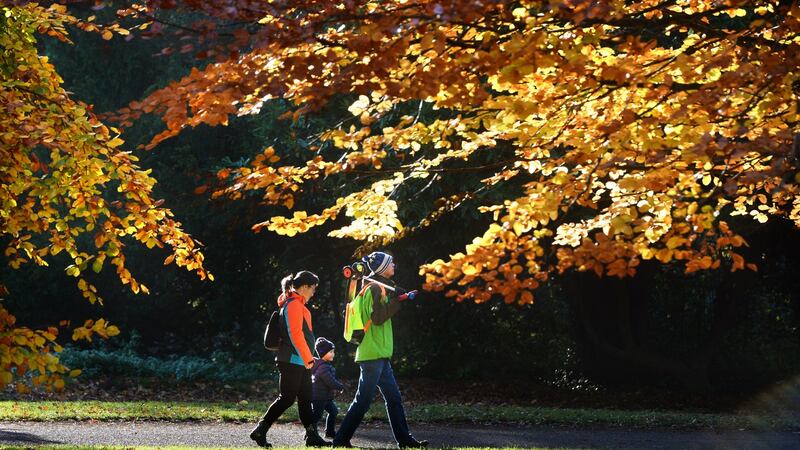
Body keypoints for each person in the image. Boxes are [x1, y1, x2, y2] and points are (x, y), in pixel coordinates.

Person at [333, 252, 428, 449]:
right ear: (382, 268)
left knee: (393, 399)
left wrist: (395, 298)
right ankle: (341, 440)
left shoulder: (376, 287)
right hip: (373, 355)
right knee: (363, 401)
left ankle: (405, 441)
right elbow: (377, 318)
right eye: (390, 263)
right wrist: (398, 302)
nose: (394, 265)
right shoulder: (375, 288)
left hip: (379, 354)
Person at [250, 271, 329, 448]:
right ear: (304, 287)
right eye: (313, 288)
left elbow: (303, 337)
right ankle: (260, 430)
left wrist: (308, 358)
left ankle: (312, 435)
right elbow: (295, 335)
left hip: (300, 360)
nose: (314, 292)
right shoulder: (293, 305)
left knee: (306, 398)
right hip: (292, 360)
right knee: (286, 398)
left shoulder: (298, 305)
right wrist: (309, 358)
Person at [311, 337, 345, 439]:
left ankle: (329, 432)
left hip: (326, 397)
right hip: (318, 397)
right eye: (330, 352)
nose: (333, 354)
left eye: (333, 351)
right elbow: (330, 381)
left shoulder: (325, 365)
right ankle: (311, 433)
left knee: (333, 411)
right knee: (316, 416)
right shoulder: (323, 367)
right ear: (323, 353)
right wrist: (340, 387)